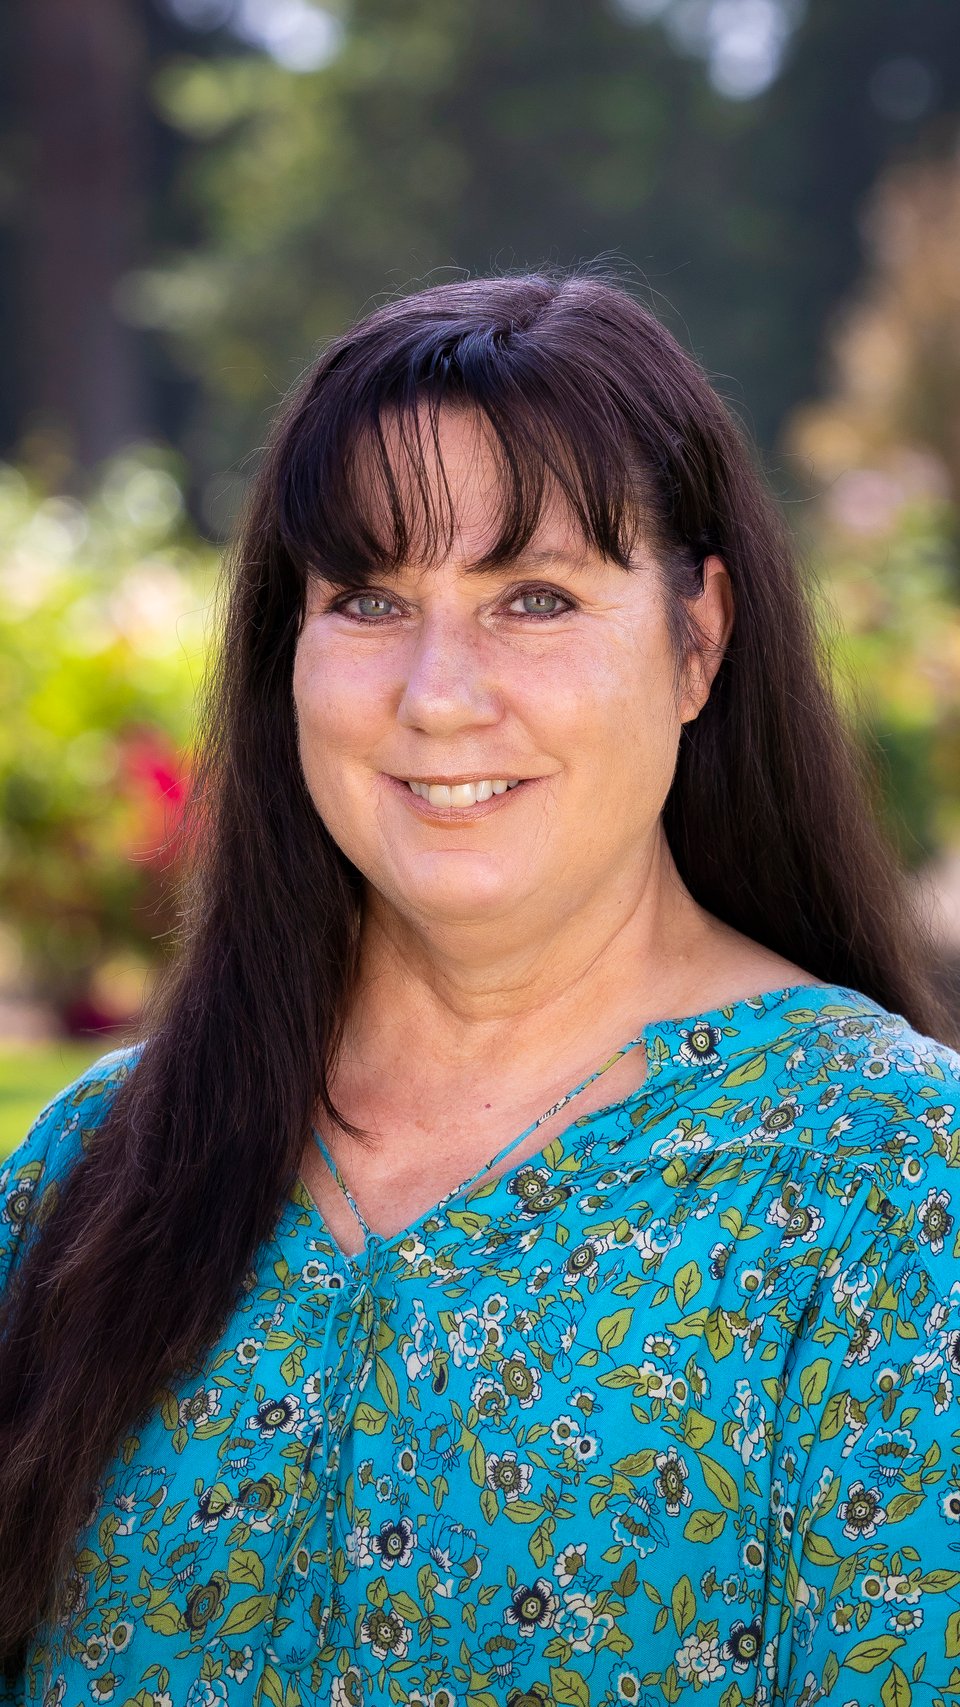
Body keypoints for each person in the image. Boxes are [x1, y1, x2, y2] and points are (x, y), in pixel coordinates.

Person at [1, 271, 959, 1707]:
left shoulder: (888, 1187)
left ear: (698, 640)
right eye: (370, 599)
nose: (439, 694)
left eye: (534, 597)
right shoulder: (94, 1163)